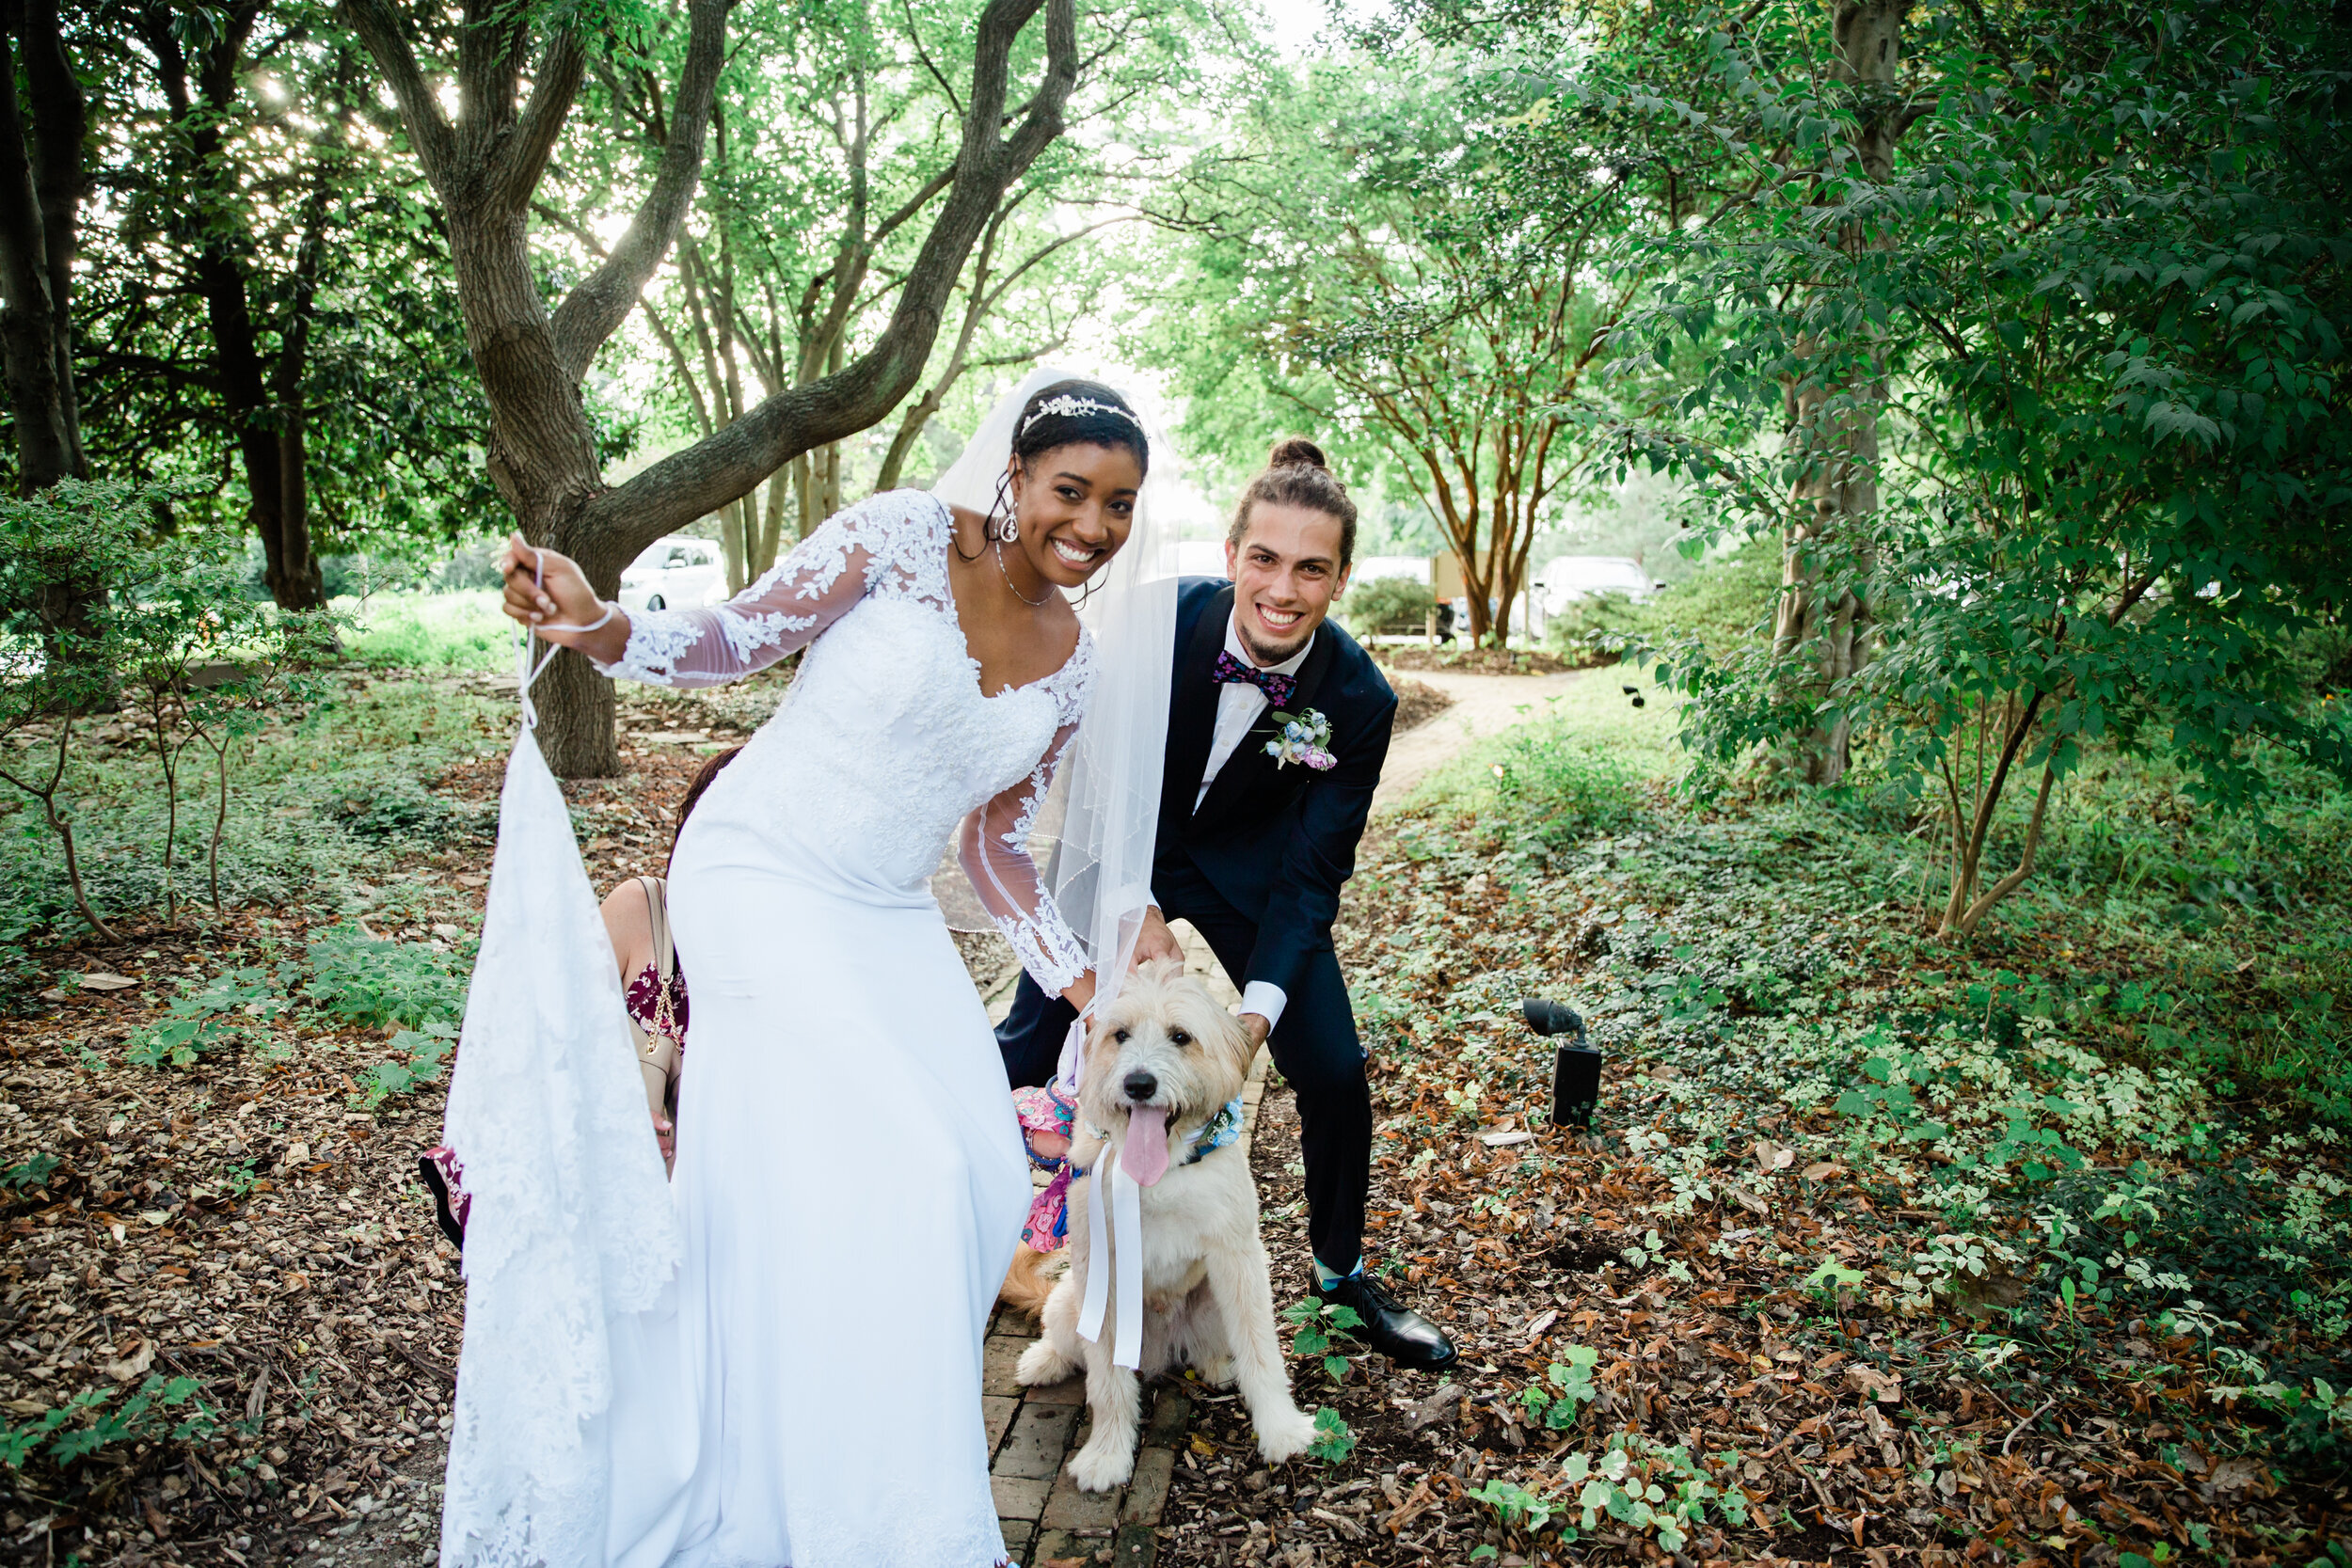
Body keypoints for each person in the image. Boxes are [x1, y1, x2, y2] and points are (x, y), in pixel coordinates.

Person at [448, 373, 1168, 1568]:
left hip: (882, 909)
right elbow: (736, 636)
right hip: (761, 868)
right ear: (1016, 473)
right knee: (907, 1159)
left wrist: (1094, 992)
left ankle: (831, 1444)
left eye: (1119, 505)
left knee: (984, 1167)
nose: (1091, 525)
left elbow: (992, 847)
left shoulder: (1077, 664)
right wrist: (599, 622)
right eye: (1070, 490)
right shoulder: (895, 538)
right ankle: (857, 1511)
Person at [997, 438, 1458, 1372]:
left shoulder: (1360, 698)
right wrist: (1133, 904)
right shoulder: (1154, 622)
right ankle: (972, 1226)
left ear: (1339, 579)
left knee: (1331, 1067)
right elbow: (1088, 771)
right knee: (1031, 1030)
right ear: (1230, 552)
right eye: (1265, 557)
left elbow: (1312, 873)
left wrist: (1252, 1019)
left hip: (1253, 879)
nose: (1282, 587)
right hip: (1124, 846)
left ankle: (1342, 1270)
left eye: (1310, 567)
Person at [419, 749, 736, 1247]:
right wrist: (616, 1117)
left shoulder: (795, 955)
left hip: (729, 1220)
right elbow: (547, 1041)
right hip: (616, 1207)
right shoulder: (643, 911)